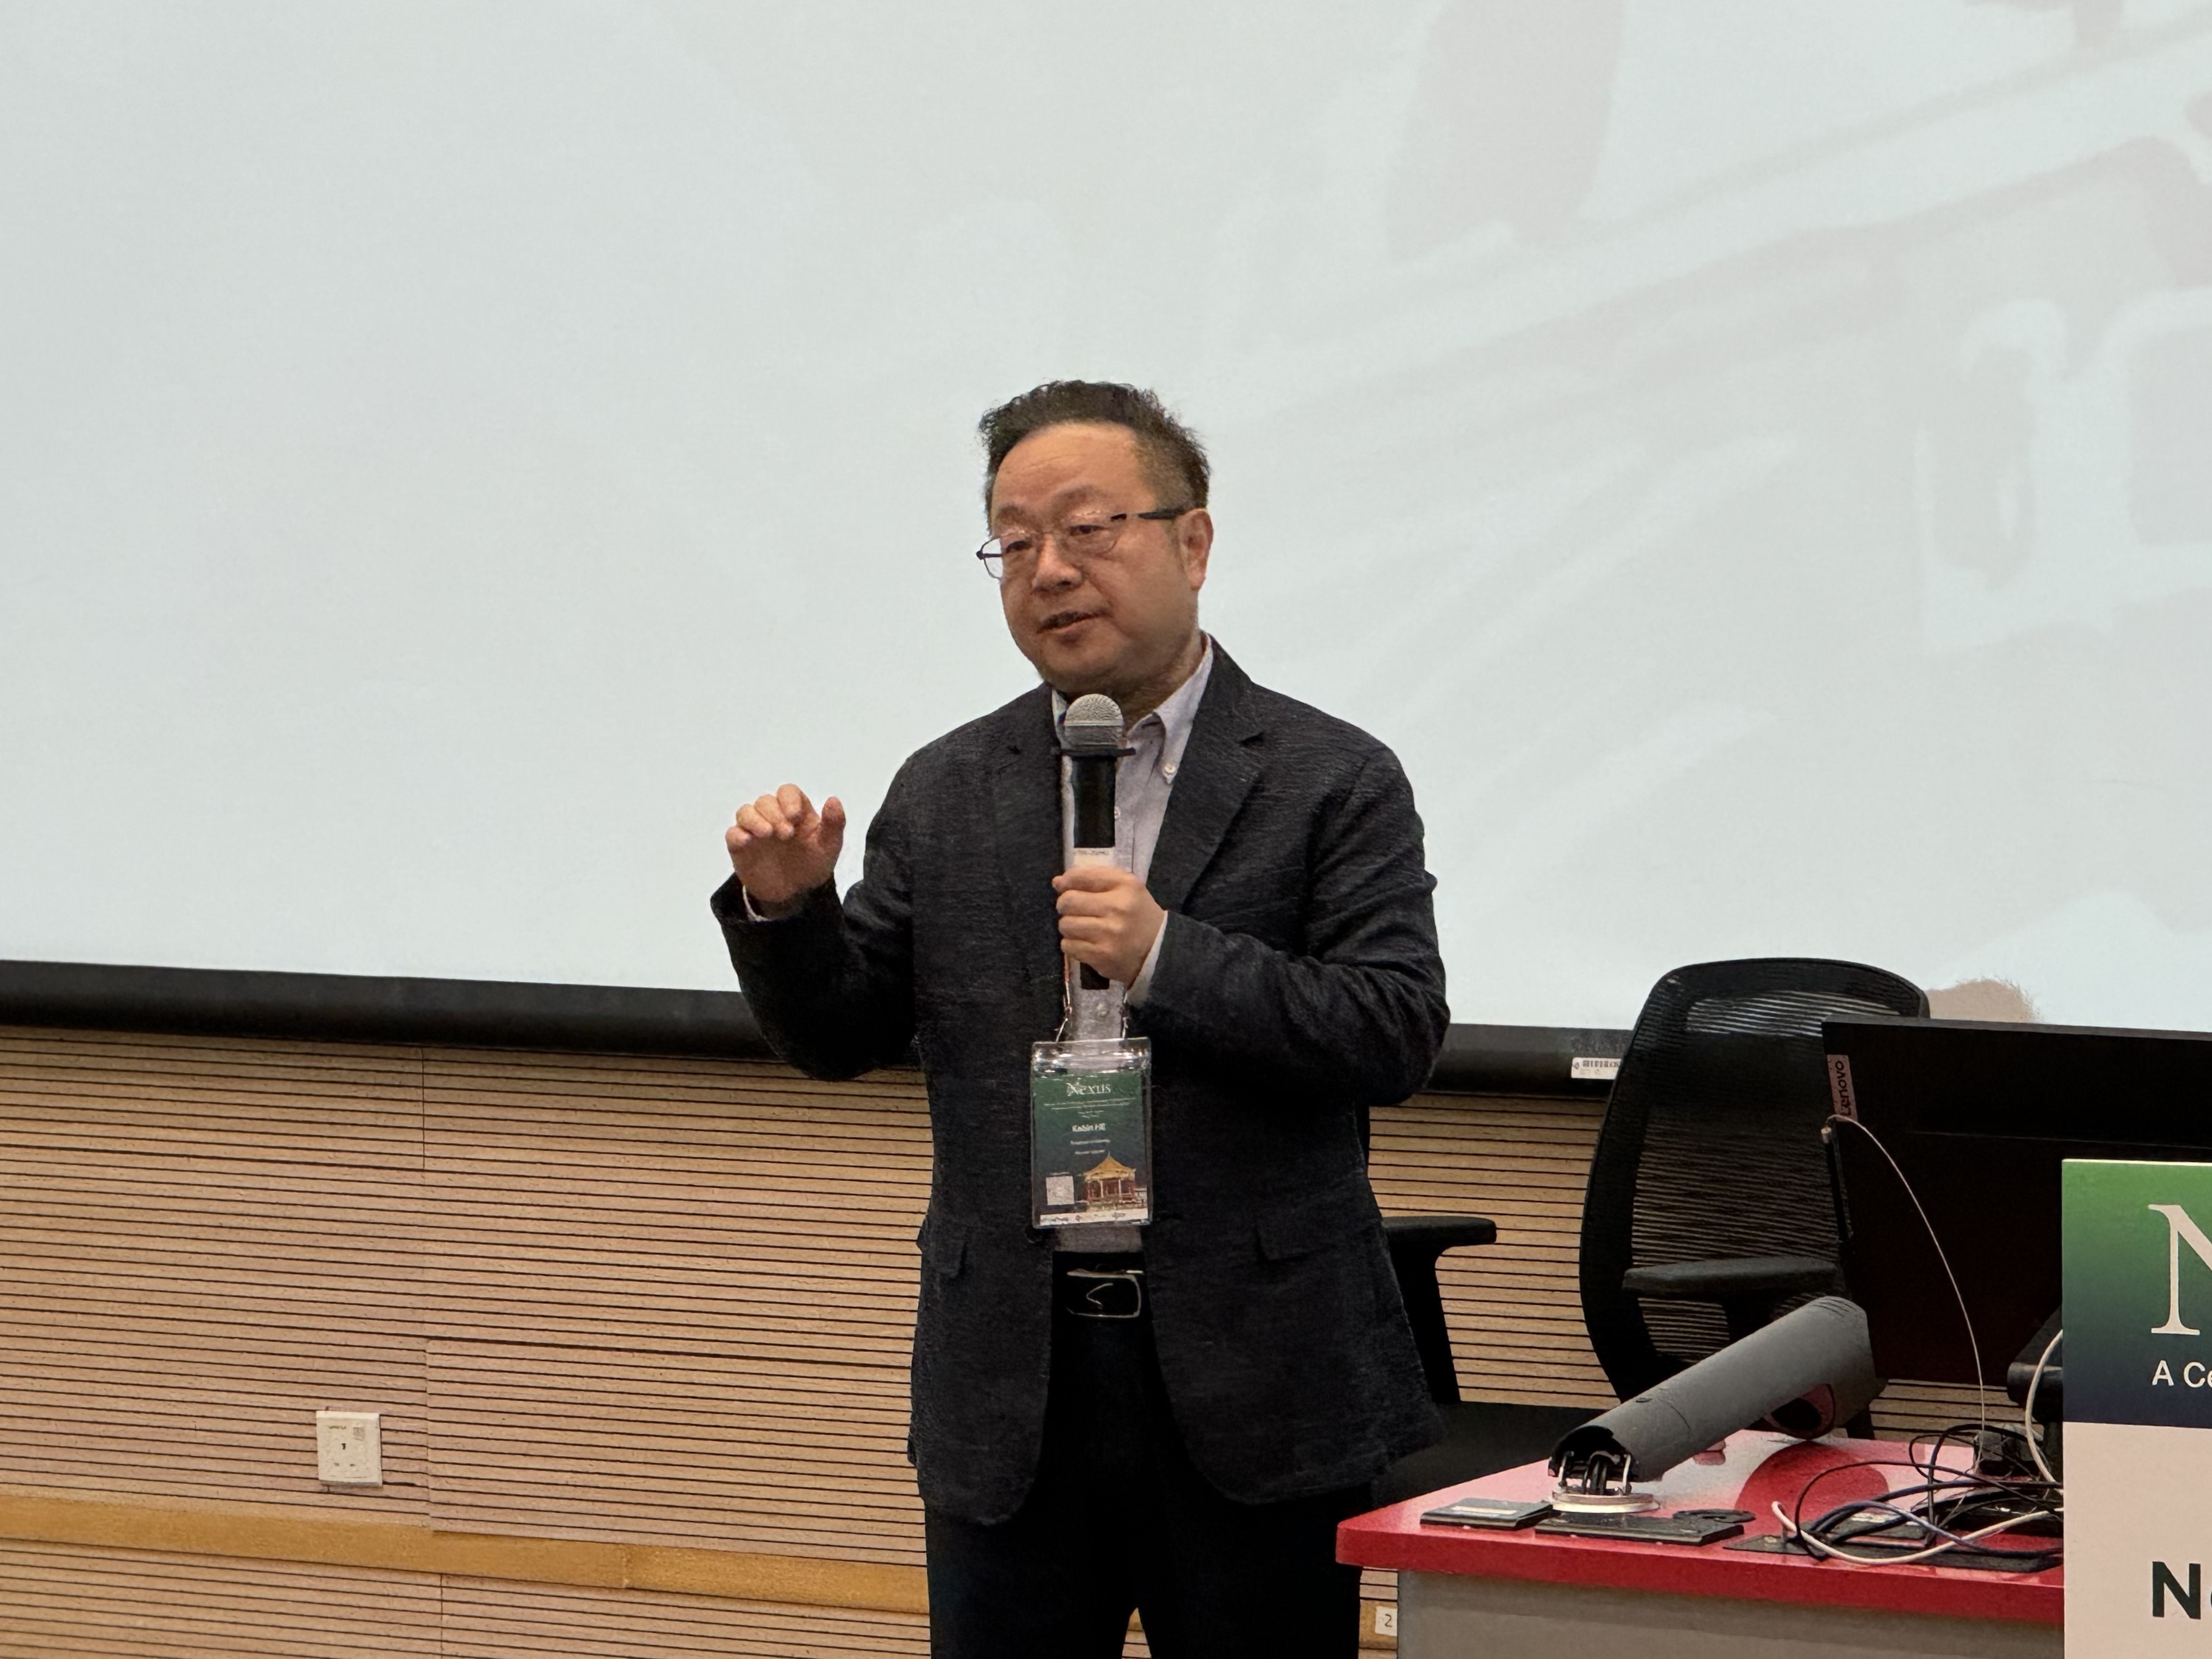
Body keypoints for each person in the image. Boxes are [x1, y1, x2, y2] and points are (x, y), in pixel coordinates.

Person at [715, 381, 1448, 1658]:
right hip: (1013, 1378)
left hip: (1256, 1378)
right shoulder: (947, 787)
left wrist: (1168, 955)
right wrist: (788, 911)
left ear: (1192, 542)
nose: (1048, 569)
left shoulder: (1330, 777)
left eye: (1088, 528)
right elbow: (839, 1033)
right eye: (1013, 541)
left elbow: (1392, 1027)